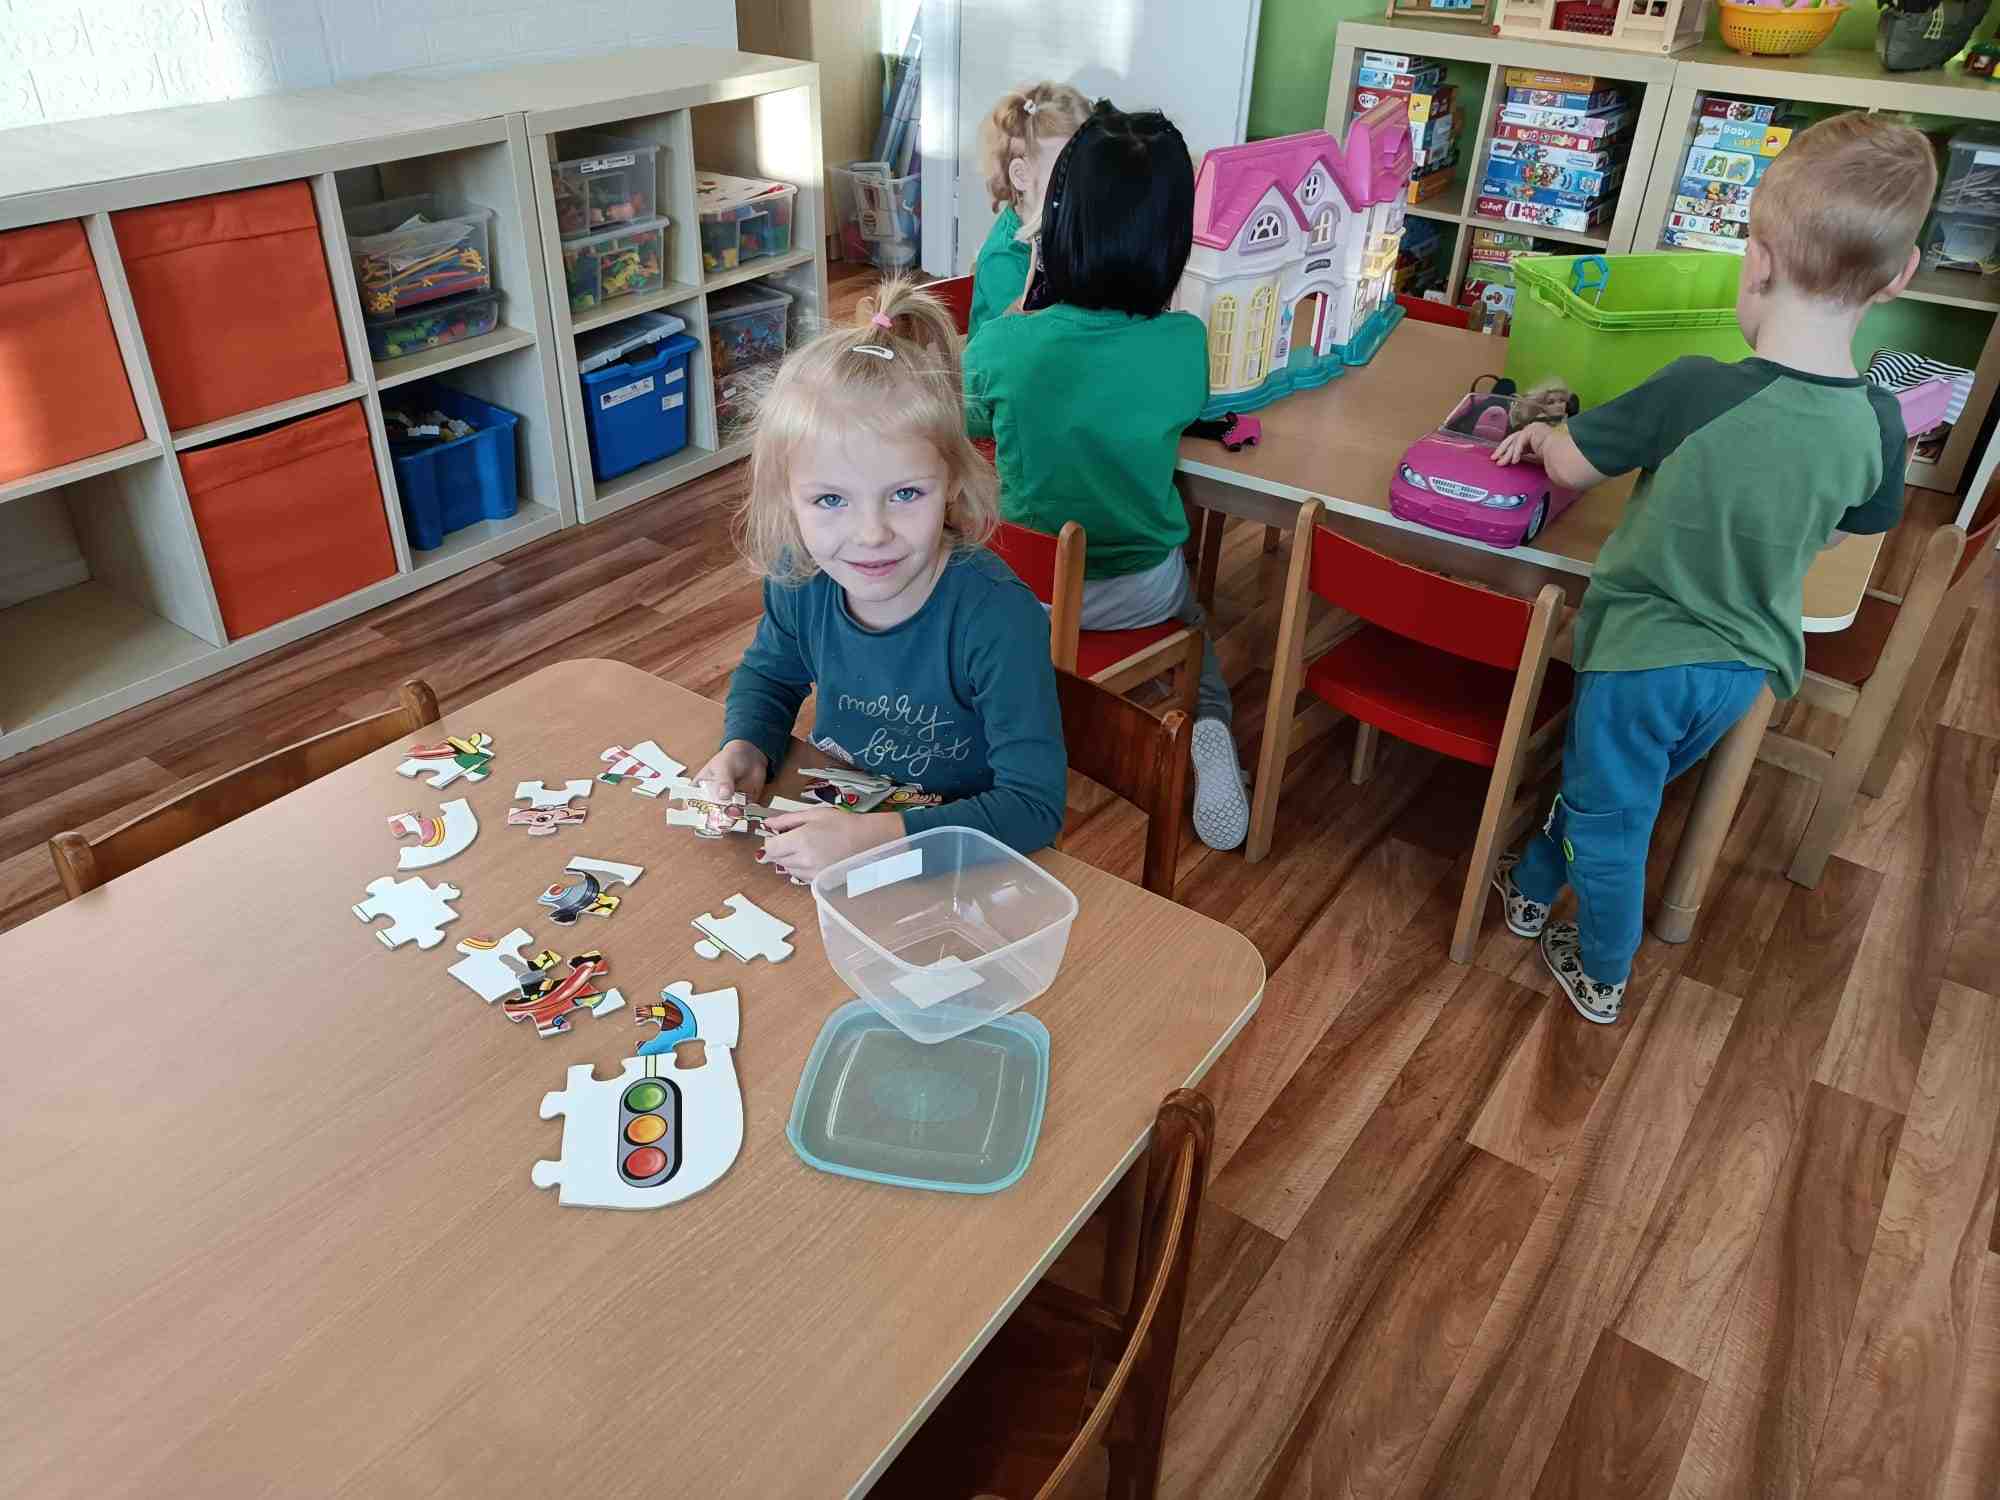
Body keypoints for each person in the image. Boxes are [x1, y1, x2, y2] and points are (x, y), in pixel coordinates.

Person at [1489, 112, 1933, 1022]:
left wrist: (1544, 431)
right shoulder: (1881, 421)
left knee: (1612, 824)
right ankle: (1531, 883)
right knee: (1610, 797)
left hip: (1642, 658)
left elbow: (1569, 466)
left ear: (1758, 262)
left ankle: (1604, 970)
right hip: (1745, 670)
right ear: (1901, 276)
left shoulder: (1697, 386)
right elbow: (1850, 526)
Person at [693, 278, 1067, 886]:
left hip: (959, 867)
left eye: (906, 494)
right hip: (840, 829)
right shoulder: (801, 576)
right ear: (788, 499)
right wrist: (746, 747)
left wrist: (877, 842)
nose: (871, 534)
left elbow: (1033, 808)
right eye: (830, 499)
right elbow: (770, 677)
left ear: (953, 482)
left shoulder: (997, 616)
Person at [964, 102, 1251, 851]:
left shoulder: (1003, 346)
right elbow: (1178, 407)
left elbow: (964, 420)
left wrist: (1022, 310)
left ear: (1057, 220)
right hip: (1141, 590)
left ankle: (992, 734)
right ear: (1172, 238)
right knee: (1195, 626)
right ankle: (1208, 730)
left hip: (1027, 596)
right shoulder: (1184, 344)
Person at [968, 82, 1091, 336]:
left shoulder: (1064, 226)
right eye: (1066, 175)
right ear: (1021, 175)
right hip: (1007, 356)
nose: (1083, 188)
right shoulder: (1003, 258)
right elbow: (1029, 337)